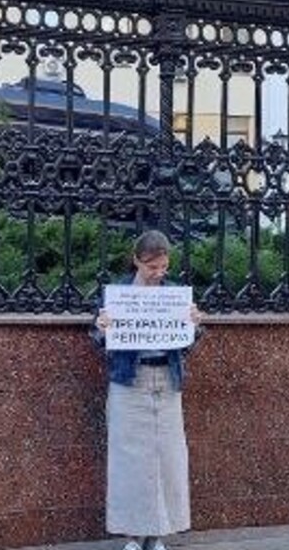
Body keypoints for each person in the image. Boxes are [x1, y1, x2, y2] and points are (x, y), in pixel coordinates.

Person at [92, 230, 205, 550]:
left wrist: (195, 326)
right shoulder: (117, 295)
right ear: (136, 261)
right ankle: (132, 537)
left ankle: (156, 537)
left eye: (163, 267)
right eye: (151, 267)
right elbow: (99, 342)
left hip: (167, 382)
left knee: (166, 460)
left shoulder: (174, 295)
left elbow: (187, 346)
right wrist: (102, 329)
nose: (158, 273)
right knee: (129, 462)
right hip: (130, 382)